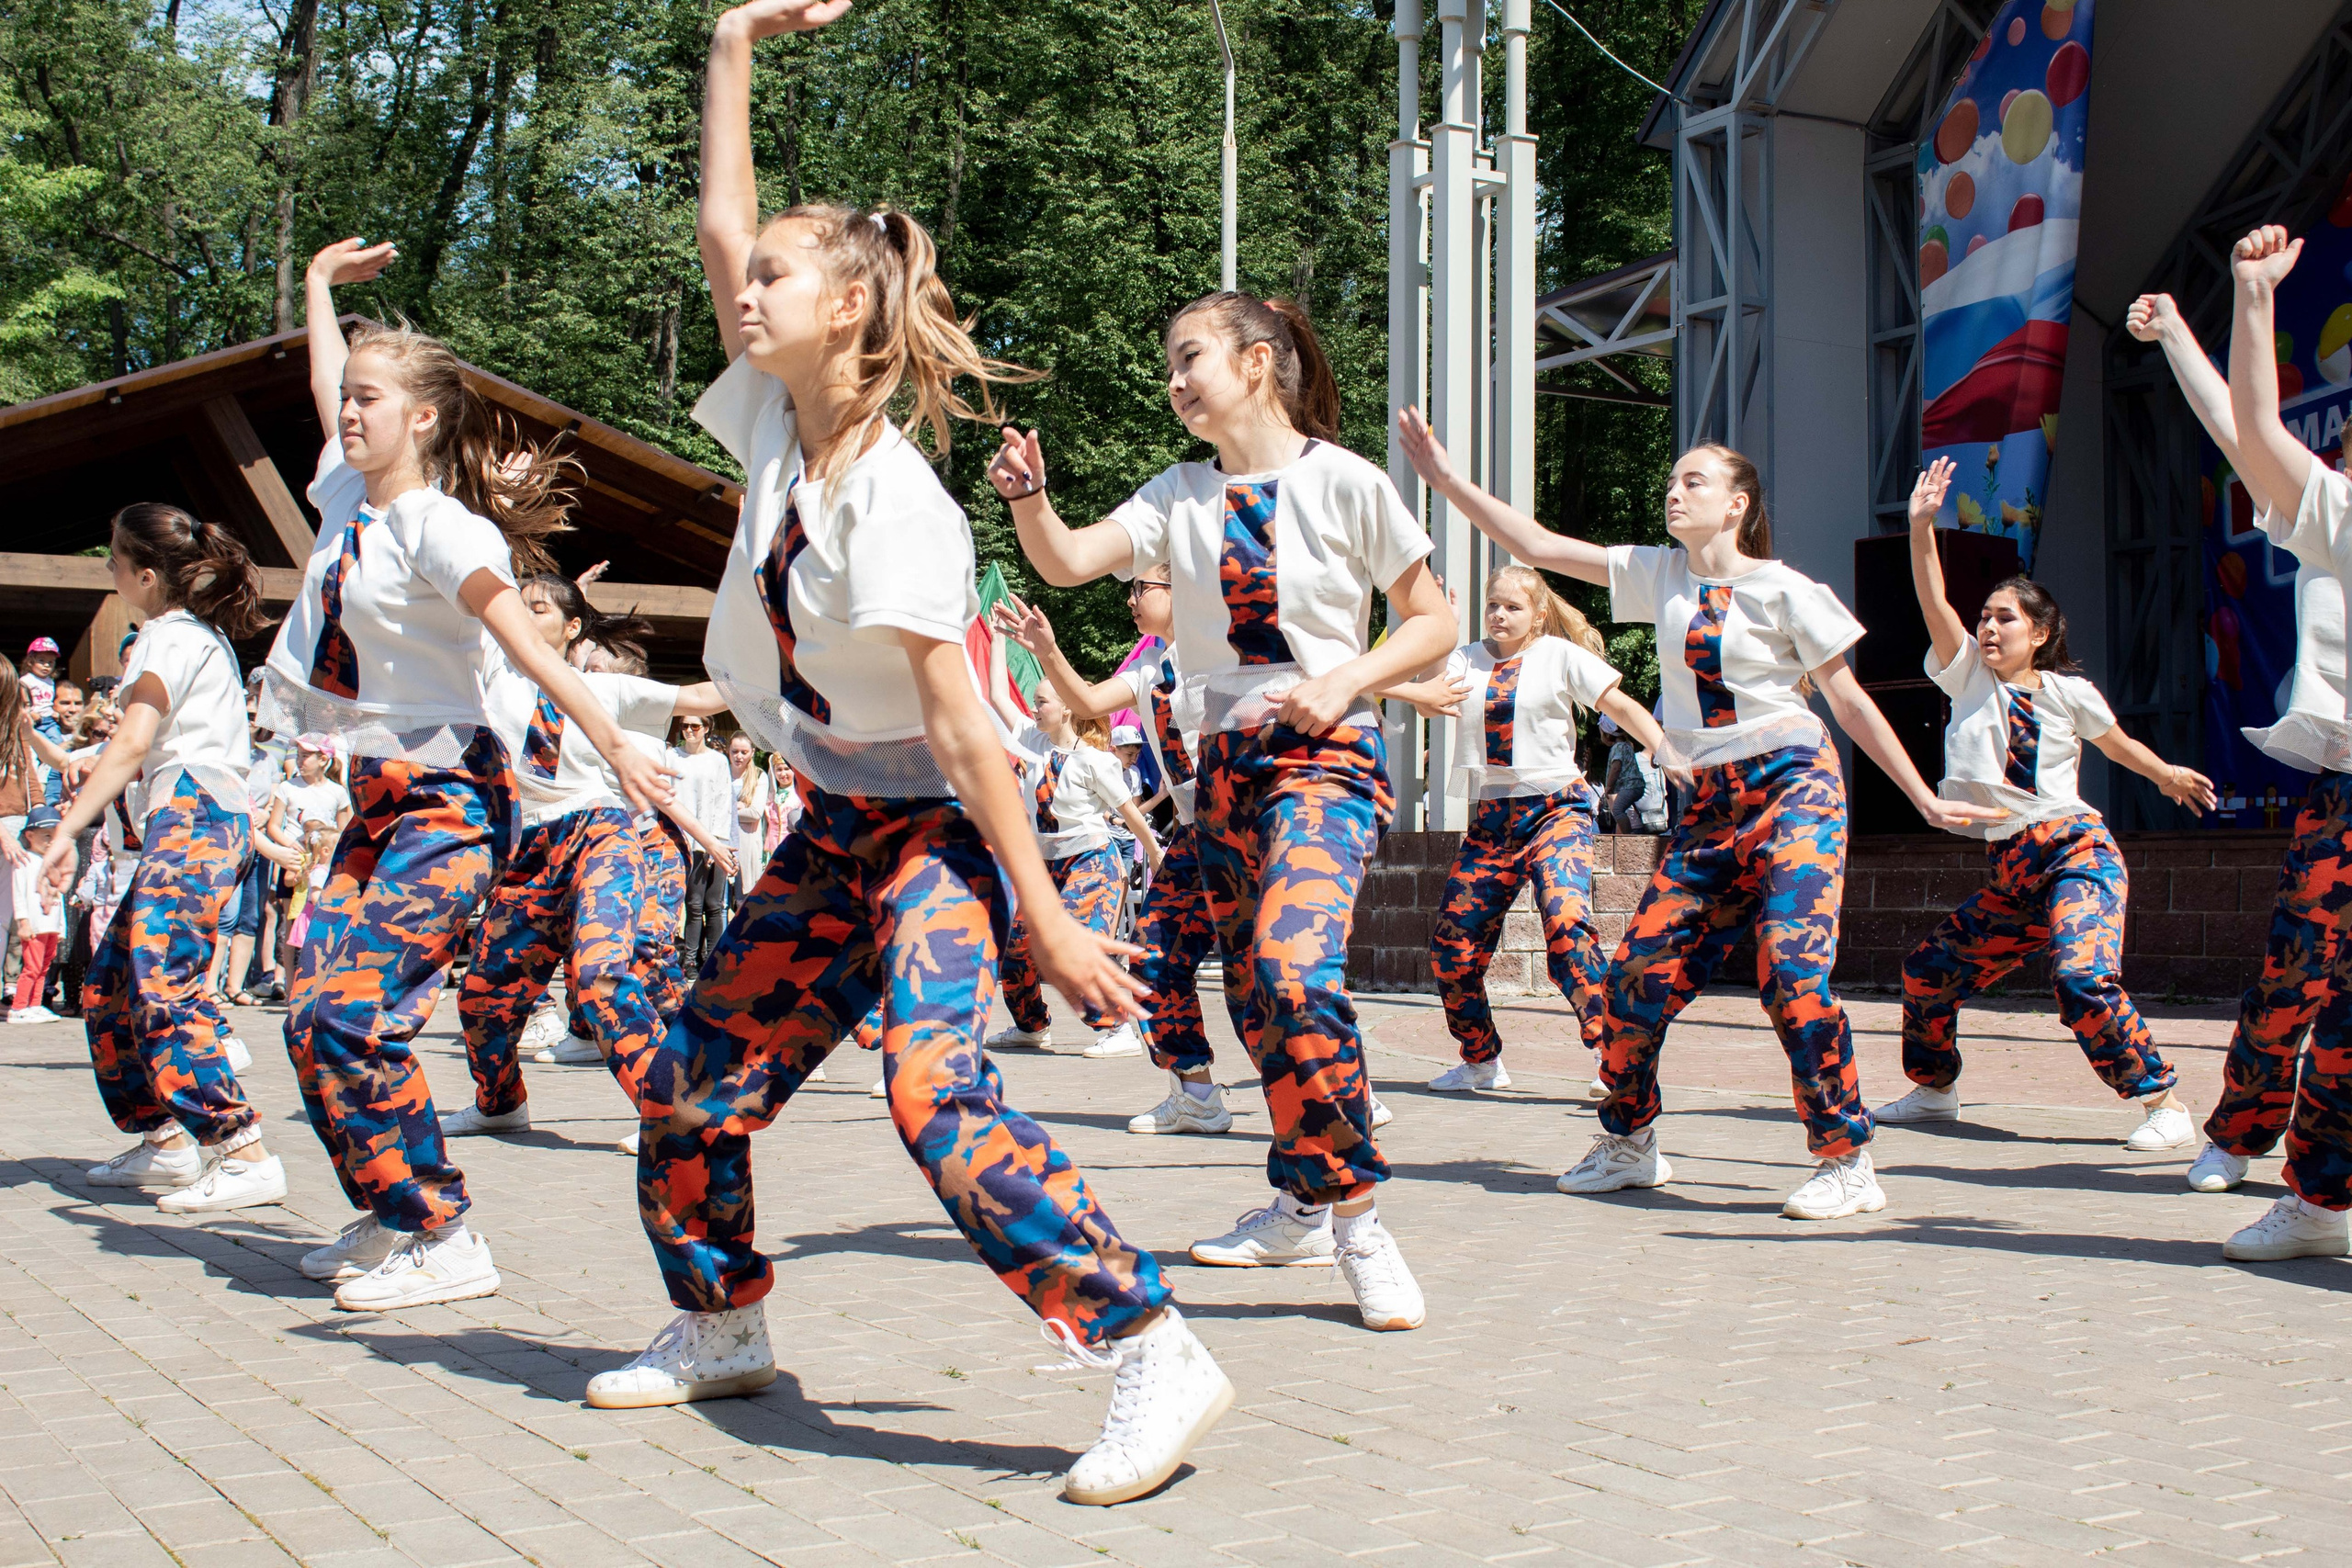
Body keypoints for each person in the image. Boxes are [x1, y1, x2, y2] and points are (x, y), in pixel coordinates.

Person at [594, 0, 1234, 1520]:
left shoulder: (902, 505)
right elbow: (719, 215)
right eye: (748, 280)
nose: (744, 290)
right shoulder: (771, 423)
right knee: (689, 1084)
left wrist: (1054, 915)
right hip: (833, 826)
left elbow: (964, 729)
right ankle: (725, 1321)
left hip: (943, 828)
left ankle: (1150, 1338)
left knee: (935, 1093)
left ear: (853, 318)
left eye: (775, 282)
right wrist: (735, 41)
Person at [1396, 407, 2004, 1220]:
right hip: (1706, 809)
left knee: (1791, 973)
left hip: (1794, 787)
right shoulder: (1661, 575)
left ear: (1738, 504)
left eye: (1694, 480)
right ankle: (1630, 1142)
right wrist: (1447, 482)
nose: (1673, 492)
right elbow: (1541, 547)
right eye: (1672, 480)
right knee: (1632, 982)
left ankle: (1845, 1157)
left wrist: (1921, 794)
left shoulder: (1789, 590)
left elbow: (1848, 701)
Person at [992, 288, 1456, 1328]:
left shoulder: (1346, 482)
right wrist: (1030, 498)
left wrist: (1345, 680)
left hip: (1328, 754)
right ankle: (1300, 1197)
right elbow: (1067, 562)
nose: (1173, 379)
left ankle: (1359, 1222)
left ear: (1255, 362)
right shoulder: (1177, 492)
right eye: (1169, 361)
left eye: (1188, 356)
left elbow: (1433, 619)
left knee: (1295, 971)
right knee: (1258, 1001)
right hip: (1226, 773)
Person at [259, 235, 670, 1311]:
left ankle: (446, 1235)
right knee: (308, 1012)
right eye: (347, 399)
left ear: (425, 418)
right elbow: (317, 378)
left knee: (358, 1011)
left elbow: (531, 647)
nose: (349, 414)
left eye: (372, 401)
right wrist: (315, 287)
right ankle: (388, 1207)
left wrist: (617, 741)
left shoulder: (443, 525)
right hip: (376, 798)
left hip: (450, 800)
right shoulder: (348, 493)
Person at [1873, 458, 2216, 1145]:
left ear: (2040, 631)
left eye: (2005, 617)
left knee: (2082, 977)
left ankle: (2165, 1105)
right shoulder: (1966, 675)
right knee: (1928, 972)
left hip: (2074, 853)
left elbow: (2117, 745)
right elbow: (1933, 601)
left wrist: (2167, 774)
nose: (1989, 627)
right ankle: (1935, 1089)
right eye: (1985, 617)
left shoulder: (2067, 692)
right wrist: (1920, 527)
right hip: (2011, 872)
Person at [2124, 288, 2352, 1204]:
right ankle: (2242, 1132)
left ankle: (2315, 1185)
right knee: (2295, 976)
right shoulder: (2334, 513)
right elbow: (2243, 430)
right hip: (2343, 790)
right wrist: (2193, 329)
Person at [41, 503, 291, 1212]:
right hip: (193, 818)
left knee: (163, 984)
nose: (110, 573)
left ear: (146, 576)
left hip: (196, 815)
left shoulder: (165, 637)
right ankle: (164, 1141)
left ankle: (240, 1148)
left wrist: (68, 828)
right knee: (111, 986)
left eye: (115, 563)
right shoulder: (192, 637)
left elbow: (130, 741)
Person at [444, 576, 730, 1145]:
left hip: (598, 833)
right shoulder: (490, 674)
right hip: (525, 851)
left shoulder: (605, 689)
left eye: (540, 609)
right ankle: (499, 1105)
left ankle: (669, 1115)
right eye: (517, 608)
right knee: (482, 997)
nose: (522, 615)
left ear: (573, 628)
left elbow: (702, 698)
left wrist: (782, 662)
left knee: (602, 975)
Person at [1385, 564, 1668, 1095]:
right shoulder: (1463, 659)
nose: (1499, 614)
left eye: (1513, 607)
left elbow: (1620, 705)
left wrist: (1663, 748)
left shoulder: (1559, 656)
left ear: (1537, 617)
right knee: (1453, 949)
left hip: (1557, 811)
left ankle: (1615, 1059)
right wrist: (1423, 622)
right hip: (1492, 820)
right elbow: (1396, 679)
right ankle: (1480, 1061)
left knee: (1566, 926)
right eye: (1492, 604)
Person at [989, 572, 1249, 1134]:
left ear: (1183, 585)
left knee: (1263, 974)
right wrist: (1047, 650)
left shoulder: (1232, 645)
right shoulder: (1147, 666)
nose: (1131, 600)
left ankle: (1335, 1093)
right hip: (1192, 836)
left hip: (1248, 829)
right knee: (1153, 958)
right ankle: (1196, 1093)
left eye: (1143, 587)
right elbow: (1085, 699)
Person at [2215, 222, 2352, 1260]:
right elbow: (2252, 428)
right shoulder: (2341, 516)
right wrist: (2254, 300)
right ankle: (2312, 1201)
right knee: (2319, 1005)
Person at [983, 664, 1163, 1060]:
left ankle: (1117, 1029)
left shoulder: (1096, 761)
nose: (1033, 709)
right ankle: (1031, 1028)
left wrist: (1153, 851)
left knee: (1074, 949)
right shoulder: (1030, 740)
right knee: (1016, 949)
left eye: (1041, 702)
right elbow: (998, 694)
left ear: (1067, 709)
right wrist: (997, 638)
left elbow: (1129, 812)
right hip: (1043, 867)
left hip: (1092, 864)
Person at [670, 714, 734, 972]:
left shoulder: (717, 760)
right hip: (682, 839)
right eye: (685, 726)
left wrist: (715, 842)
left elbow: (723, 802)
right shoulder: (672, 756)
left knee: (714, 904)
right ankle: (689, 960)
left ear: (706, 728)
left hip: (711, 839)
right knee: (693, 904)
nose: (689, 731)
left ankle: (712, 962)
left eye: (695, 726)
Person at [10, 806, 65, 1023]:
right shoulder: (24, 861)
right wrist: (23, 922)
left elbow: (58, 896)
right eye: (46, 836)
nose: (51, 841)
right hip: (34, 925)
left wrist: (61, 927)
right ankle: (19, 1007)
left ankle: (35, 1004)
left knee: (44, 969)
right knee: (31, 968)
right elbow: (19, 894)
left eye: (55, 836)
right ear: (30, 835)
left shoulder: (54, 862)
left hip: (51, 925)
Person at [727, 730, 770, 897]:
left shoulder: (759, 776)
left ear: (752, 752)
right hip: (723, 840)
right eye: (735, 751)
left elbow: (755, 812)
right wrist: (736, 807)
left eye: (744, 752)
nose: (739, 756)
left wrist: (727, 810)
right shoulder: (722, 773)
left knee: (742, 897)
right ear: (728, 750)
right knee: (720, 902)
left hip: (746, 843)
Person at [21, 637, 60, 741]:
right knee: (39, 743)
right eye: (41, 661)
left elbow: (49, 701)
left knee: (57, 740)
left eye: (51, 662)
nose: (46, 665)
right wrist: (30, 714)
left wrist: (54, 712)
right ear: (30, 662)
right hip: (34, 719)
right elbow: (20, 702)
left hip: (50, 719)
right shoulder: (26, 680)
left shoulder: (51, 682)